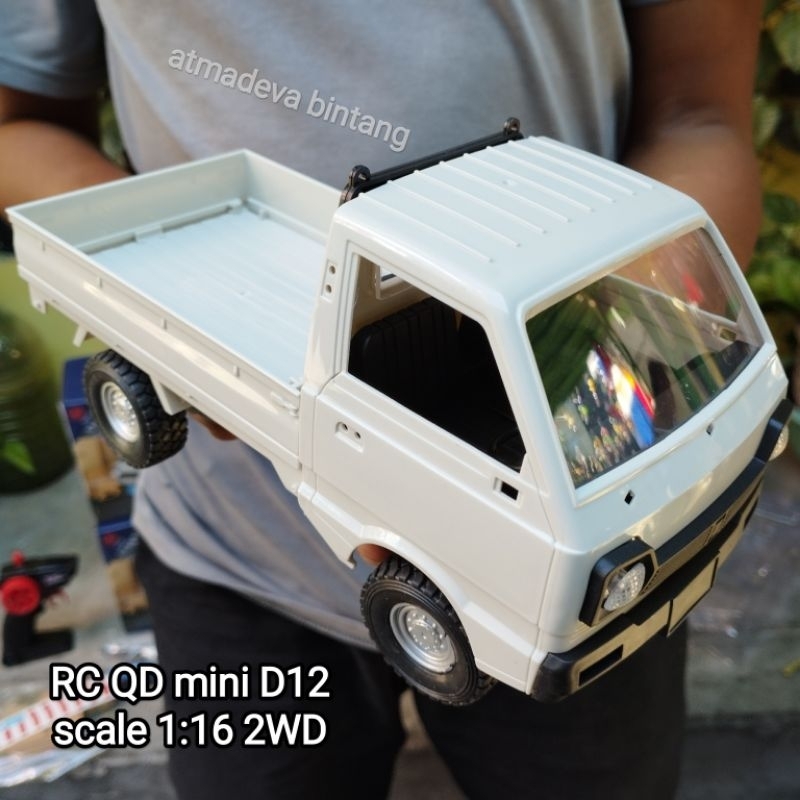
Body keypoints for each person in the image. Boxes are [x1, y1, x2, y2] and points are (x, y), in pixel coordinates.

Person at [0, 2, 764, 798]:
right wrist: (180, 316)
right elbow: (20, 126)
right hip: (227, 557)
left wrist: (603, 345)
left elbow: (698, 115)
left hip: (594, 556)